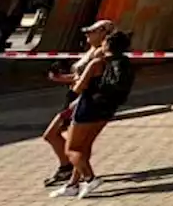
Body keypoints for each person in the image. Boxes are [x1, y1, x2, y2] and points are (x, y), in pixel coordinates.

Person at [50, 31, 135, 198]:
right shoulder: (122, 63)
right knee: (84, 147)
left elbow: (78, 88)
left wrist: (73, 80)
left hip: (87, 108)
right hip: (106, 109)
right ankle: (72, 185)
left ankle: (90, 179)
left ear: (108, 45)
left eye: (103, 42)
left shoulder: (97, 63)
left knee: (72, 149)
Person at [42, 19, 113, 188]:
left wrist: (74, 91)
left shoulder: (100, 55)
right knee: (69, 139)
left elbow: (89, 80)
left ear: (103, 34)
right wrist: (60, 78)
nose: (87, 34)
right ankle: (73, 172)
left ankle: (75, 171)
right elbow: (80, 76)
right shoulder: (91, 51)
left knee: (54, 135)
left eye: (92, 31)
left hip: (80, 99)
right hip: (73, 96)